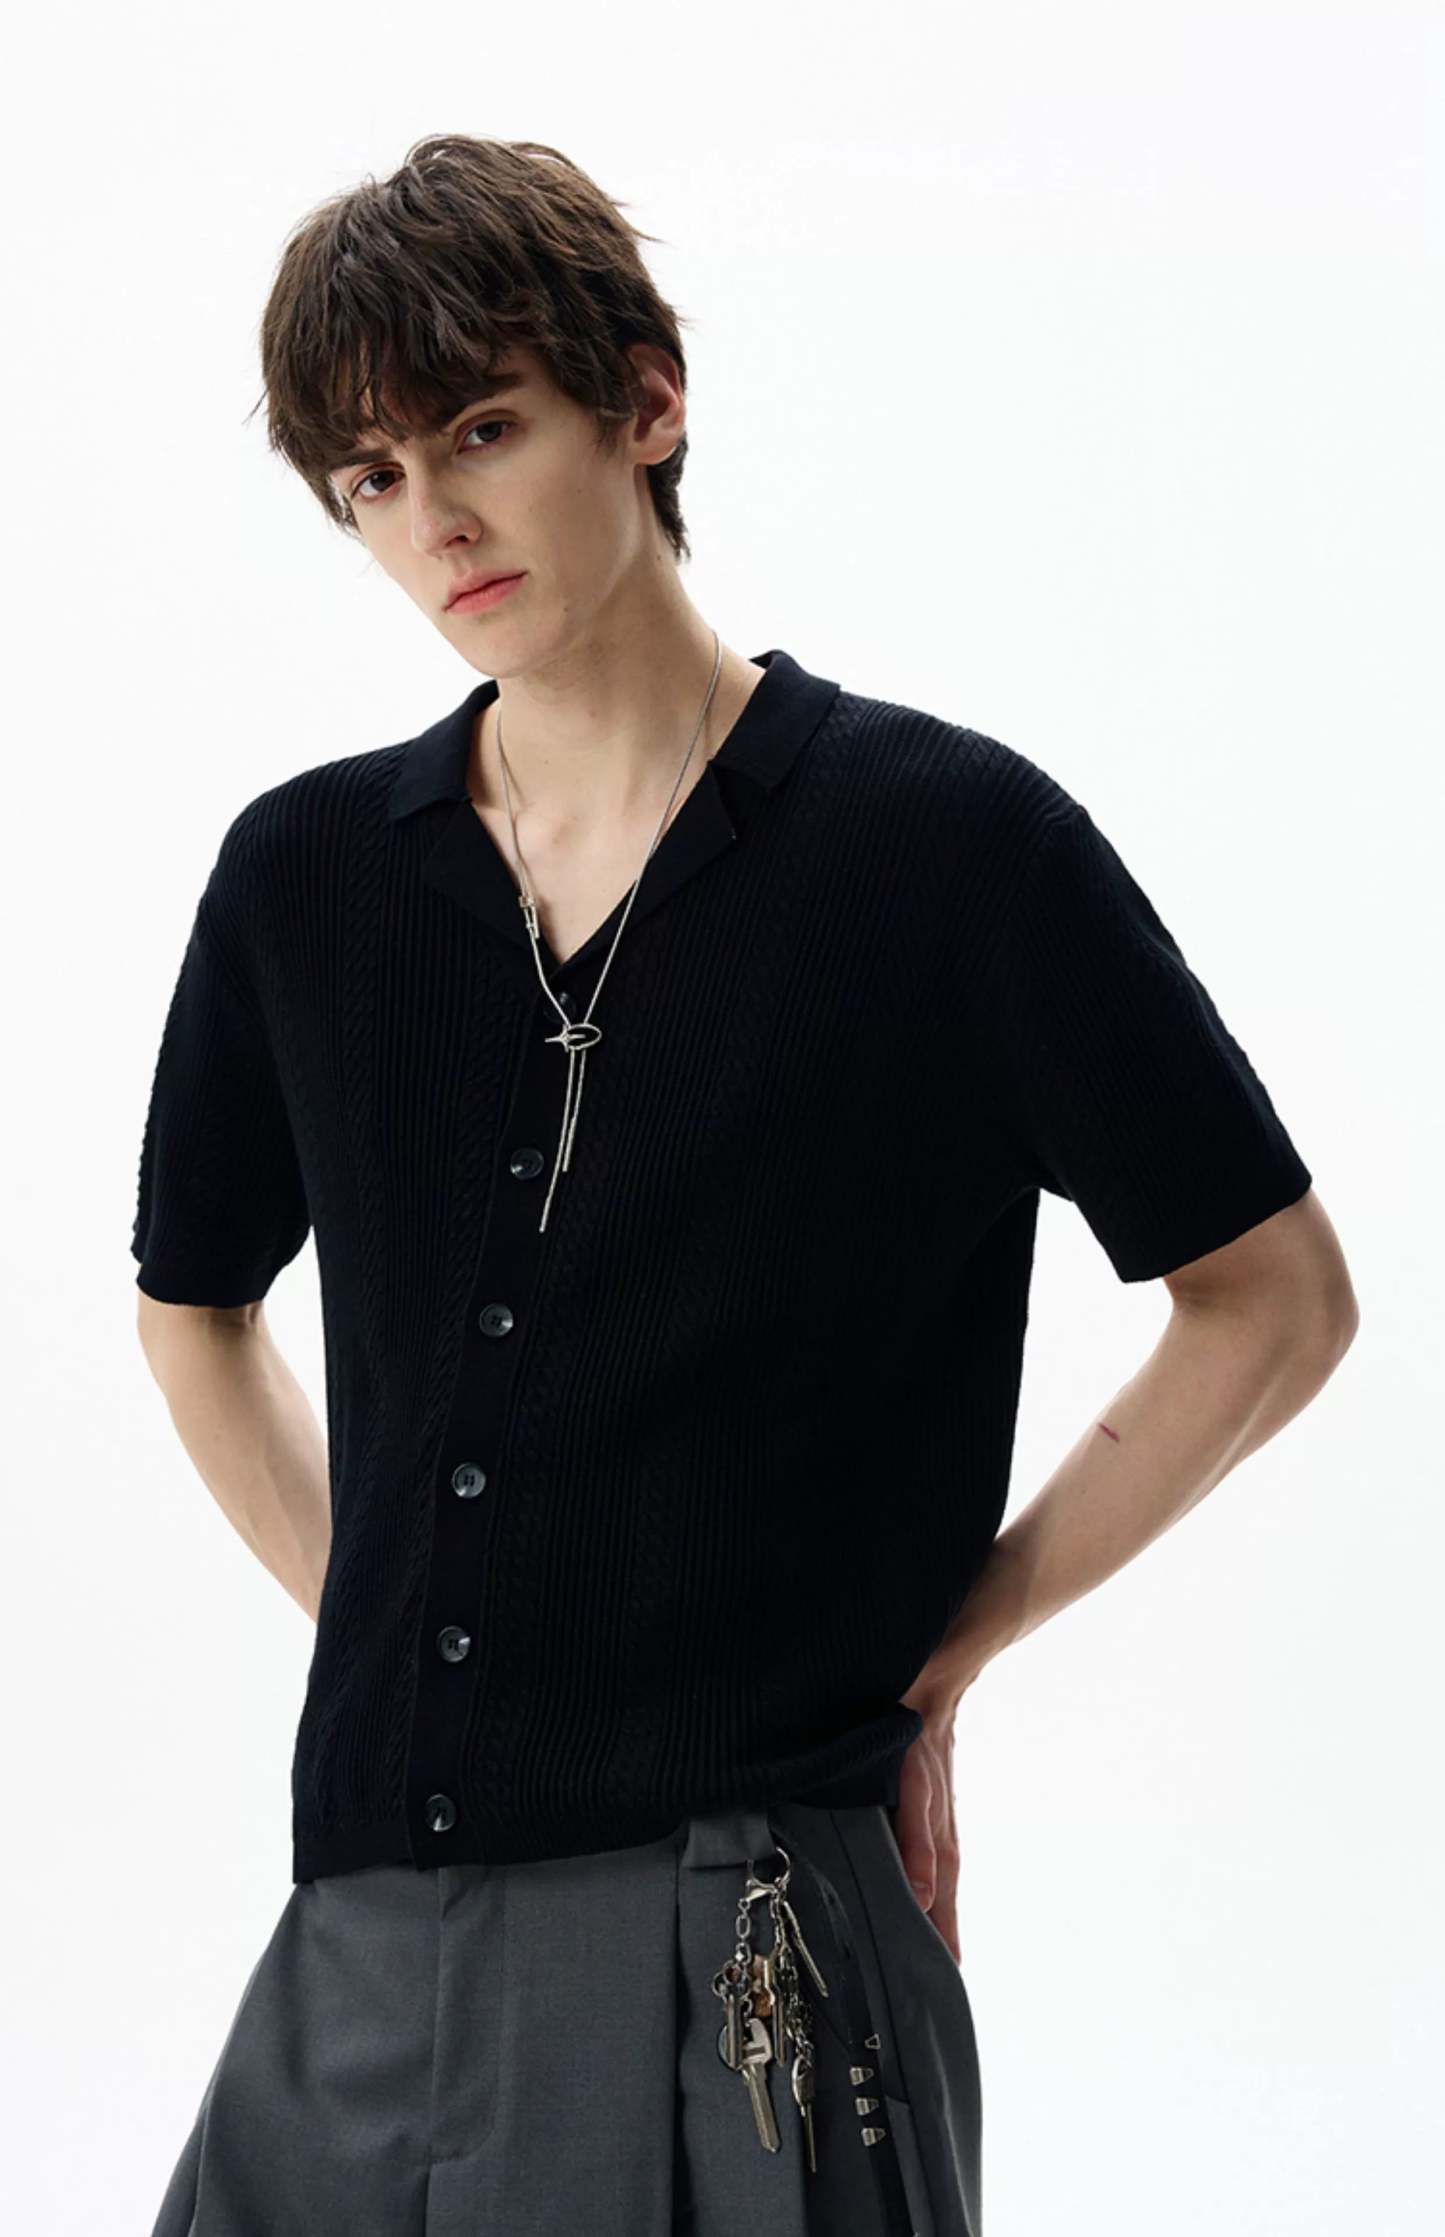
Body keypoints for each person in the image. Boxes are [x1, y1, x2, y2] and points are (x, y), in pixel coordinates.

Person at [132, 134, 1357, 2237]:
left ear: (646, 399)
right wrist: (396, 1615)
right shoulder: (303, 879)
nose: (434, 522)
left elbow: (1274, 1295)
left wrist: (942, 1652)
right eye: (371, 479)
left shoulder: (948, 850)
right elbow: (194, 1307)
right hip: (364, 1934)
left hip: (751, 1927)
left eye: (481, 431)